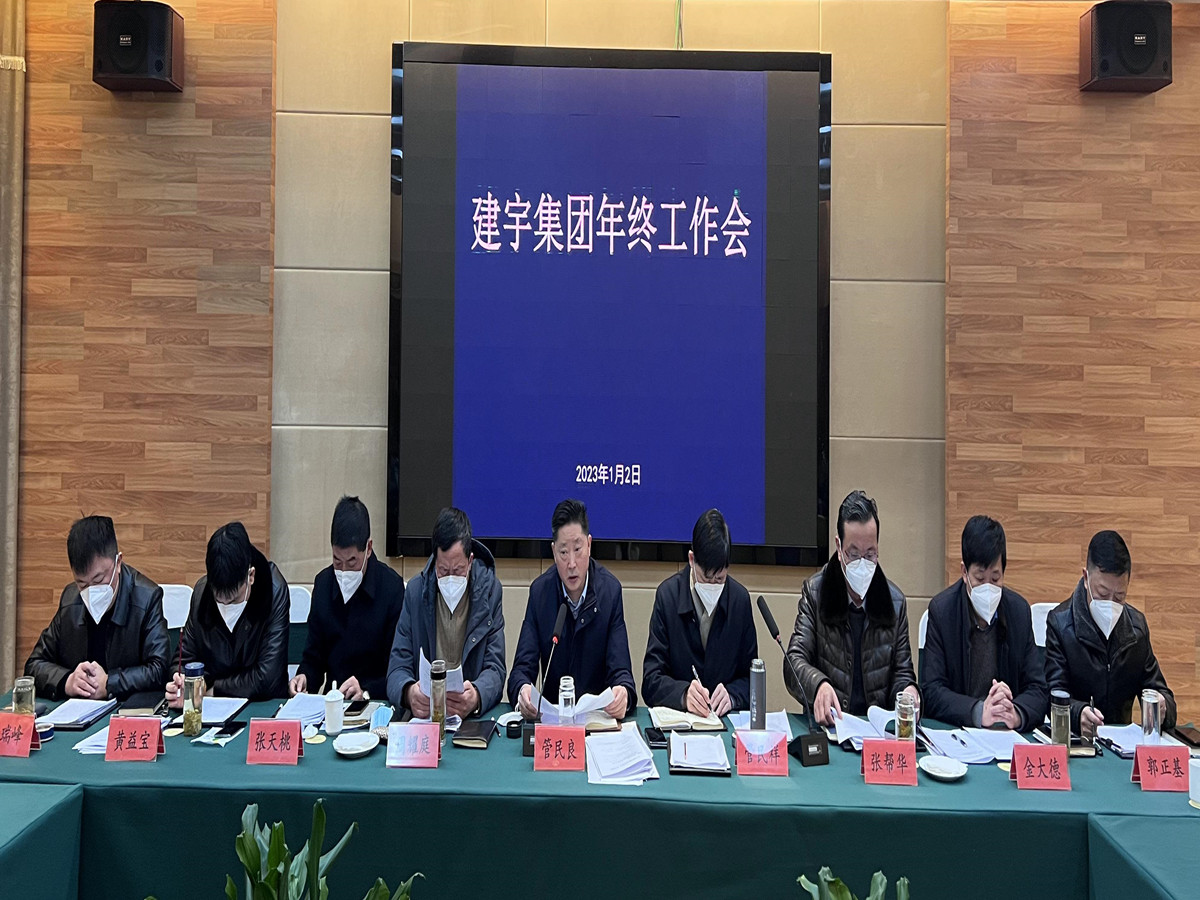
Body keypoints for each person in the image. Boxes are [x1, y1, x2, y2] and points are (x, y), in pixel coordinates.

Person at [784, 490, 918, 725]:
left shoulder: (895, 603)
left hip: (877, 732)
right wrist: (818, 684)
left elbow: (902, 672)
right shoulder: (815, 593)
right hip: (830, 726)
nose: (863, 564)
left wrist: (908, 691)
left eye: (870, 554)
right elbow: (794, 661)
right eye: (854, 554)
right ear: (839, 547)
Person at [508, 499, 637, 720]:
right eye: (563, 552)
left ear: (589, 544)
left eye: (577, 550)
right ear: (553, 552)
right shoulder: (540, 594)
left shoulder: (610, 592)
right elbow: (521, 671)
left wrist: (623, 693)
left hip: (597, 724)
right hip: (554, 723)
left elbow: (622, 672)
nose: (572, 563)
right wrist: (522, 691)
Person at [922, 516, 1047, 730]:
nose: (988, 586)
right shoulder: (942, 612)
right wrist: (979, 711)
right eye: (980, 579)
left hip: (1005, 733)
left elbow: (1038, 689)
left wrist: (1016, 713)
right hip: (960, 730)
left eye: (995, 579)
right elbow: (931, 691)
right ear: (964, 572)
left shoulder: (1019, 612)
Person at [1045, 530, 1176, 735]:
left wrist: (1163, 705)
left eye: (1119, 596)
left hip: (1121, 743)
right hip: (1077, 740)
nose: (1110, 603)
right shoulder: (1060, 624)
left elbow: (1159, 691)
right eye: (1102, 593)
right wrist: (1078, 714)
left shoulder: (1136, 629)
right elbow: (1051, 695)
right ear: (1086, 578)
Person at [25, 515, 169, 701]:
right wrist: (67, 681)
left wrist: (109, 683)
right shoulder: (71, 599)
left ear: (118, 562)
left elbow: (159, 670)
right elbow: (34, 664)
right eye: (82, 584)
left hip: (125, 710)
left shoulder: (147, 598)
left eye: (99, 580)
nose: (91, 591)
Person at [386, 508, 505, 719]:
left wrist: (477, 695)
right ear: (434, 561)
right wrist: (409, 693)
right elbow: (397, 668)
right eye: (443, 570)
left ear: (470, 561)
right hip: (426, 718)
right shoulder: (416, 592)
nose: (450, 577)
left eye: (457, 571)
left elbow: (495, 668)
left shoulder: (490, 592)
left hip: (471, 720)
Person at [641, 509, 758, 715]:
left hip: (724, 722)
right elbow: (651, 681)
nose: (713, 585)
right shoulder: (668, 597)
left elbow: (752, 680)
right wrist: (683, 695)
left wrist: (732, 695)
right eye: (706, 578)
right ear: (691, 559)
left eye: (720, 579)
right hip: (681, 723)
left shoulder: (739, 601)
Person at [290, 496, 405, 700]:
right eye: (337, 561)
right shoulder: (324, 584)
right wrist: (304, 677)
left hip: (376, 702)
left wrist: (366, 691)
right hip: (332, 702)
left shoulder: (391, 588)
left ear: (368, 548)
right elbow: (314, 658)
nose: (344, 571)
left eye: (352, 562)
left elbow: (397, 670)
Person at [166, 522, 289, 706]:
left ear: (250, 576)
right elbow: (183, 660)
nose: (225, 605)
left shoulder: (274, 590)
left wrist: (213, 690)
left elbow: (267, 677)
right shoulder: (202, 592)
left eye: (232, 600)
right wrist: (185, 683)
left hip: (263, 705)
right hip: (210, 708)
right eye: (219, 599)